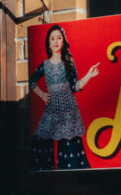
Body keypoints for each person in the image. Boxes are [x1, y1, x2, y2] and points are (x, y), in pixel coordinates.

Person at [30, 23, 99, 169]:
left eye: (59, 38)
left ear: (63, 41)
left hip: (68, 109)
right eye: (52, 38)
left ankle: (72, 181)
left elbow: (75, 86)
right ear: (48, 43)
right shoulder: (45, 65)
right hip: (52, 109)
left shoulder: (68, 62)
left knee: (69, 147)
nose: (55, 41)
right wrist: (42, 95)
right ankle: (46, 179)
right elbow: (31, 81)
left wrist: (89, 75)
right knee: (39, 141)